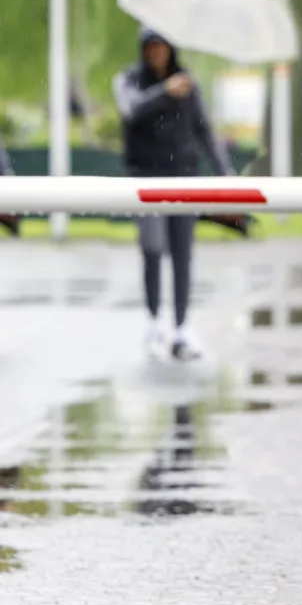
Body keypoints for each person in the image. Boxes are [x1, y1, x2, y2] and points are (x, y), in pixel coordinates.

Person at [114, 29, 232, 361]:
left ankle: (182, 327)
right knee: (152, 249)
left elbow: (204, 129)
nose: (157, 53)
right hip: (145, 179)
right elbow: (131, 109)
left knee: (182, 253)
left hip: (183, 178)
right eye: (151, 47)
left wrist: (225, 172)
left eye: (162, 47)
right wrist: (164, 92)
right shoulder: (130, 80)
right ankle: (154, 320)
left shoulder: (188, 84)